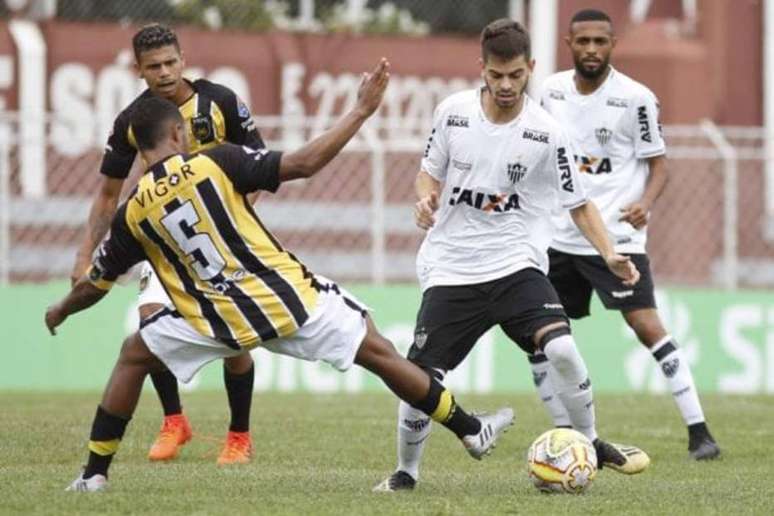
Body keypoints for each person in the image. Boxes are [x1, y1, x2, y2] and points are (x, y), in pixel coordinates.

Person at [46, 59, 515, 493]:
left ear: (137, 148)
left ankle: (93, 476)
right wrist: (360, 111)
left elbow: (95, 283)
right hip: (285, 299)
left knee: (133, 354)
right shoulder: (214, 161)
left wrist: (61, 309)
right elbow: (304, 164)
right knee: (378, 351)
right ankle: (471, 430)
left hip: (213, 320)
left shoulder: (132, 213)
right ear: (177, 132)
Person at [373, 19, 650, 493]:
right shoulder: (452, 113)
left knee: (561, 347)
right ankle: (406, 473)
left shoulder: (547, 132)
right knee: (419, 379)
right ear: (481, 68)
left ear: (531, 70)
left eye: (516, 75)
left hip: (516, 264)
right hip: (452, 266)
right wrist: (424, 199)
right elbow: (427, 174)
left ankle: (589, 441)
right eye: (497, 74)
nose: (505, 85)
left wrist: (609, 253)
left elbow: (578, 203)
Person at [70, 23, 264, 464]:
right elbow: (108, 194)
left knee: (236, 343)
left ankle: (239, 436)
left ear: (183, 59)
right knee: (151, 323)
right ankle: (174, 420)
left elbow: (258, 167)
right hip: (166, 241)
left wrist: (236, 216)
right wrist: (84, 254)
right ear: (139, 70)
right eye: (153, 66)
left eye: (171, 62)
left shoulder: (222, 102)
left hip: (225, 240)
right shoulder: (134, 122)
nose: (164, 72)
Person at [534, 8, 720, 461]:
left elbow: (659, 164)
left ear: (613, 45)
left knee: (645, 324)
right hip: (559, 237)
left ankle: (699, 431)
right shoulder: (550, 92)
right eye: (584, 42)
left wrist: (646, 204)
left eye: (600, 42)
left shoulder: (636, 99)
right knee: (538, 333)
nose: (592, 50)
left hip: (616, 239)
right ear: (569, 44)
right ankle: (566, 433)